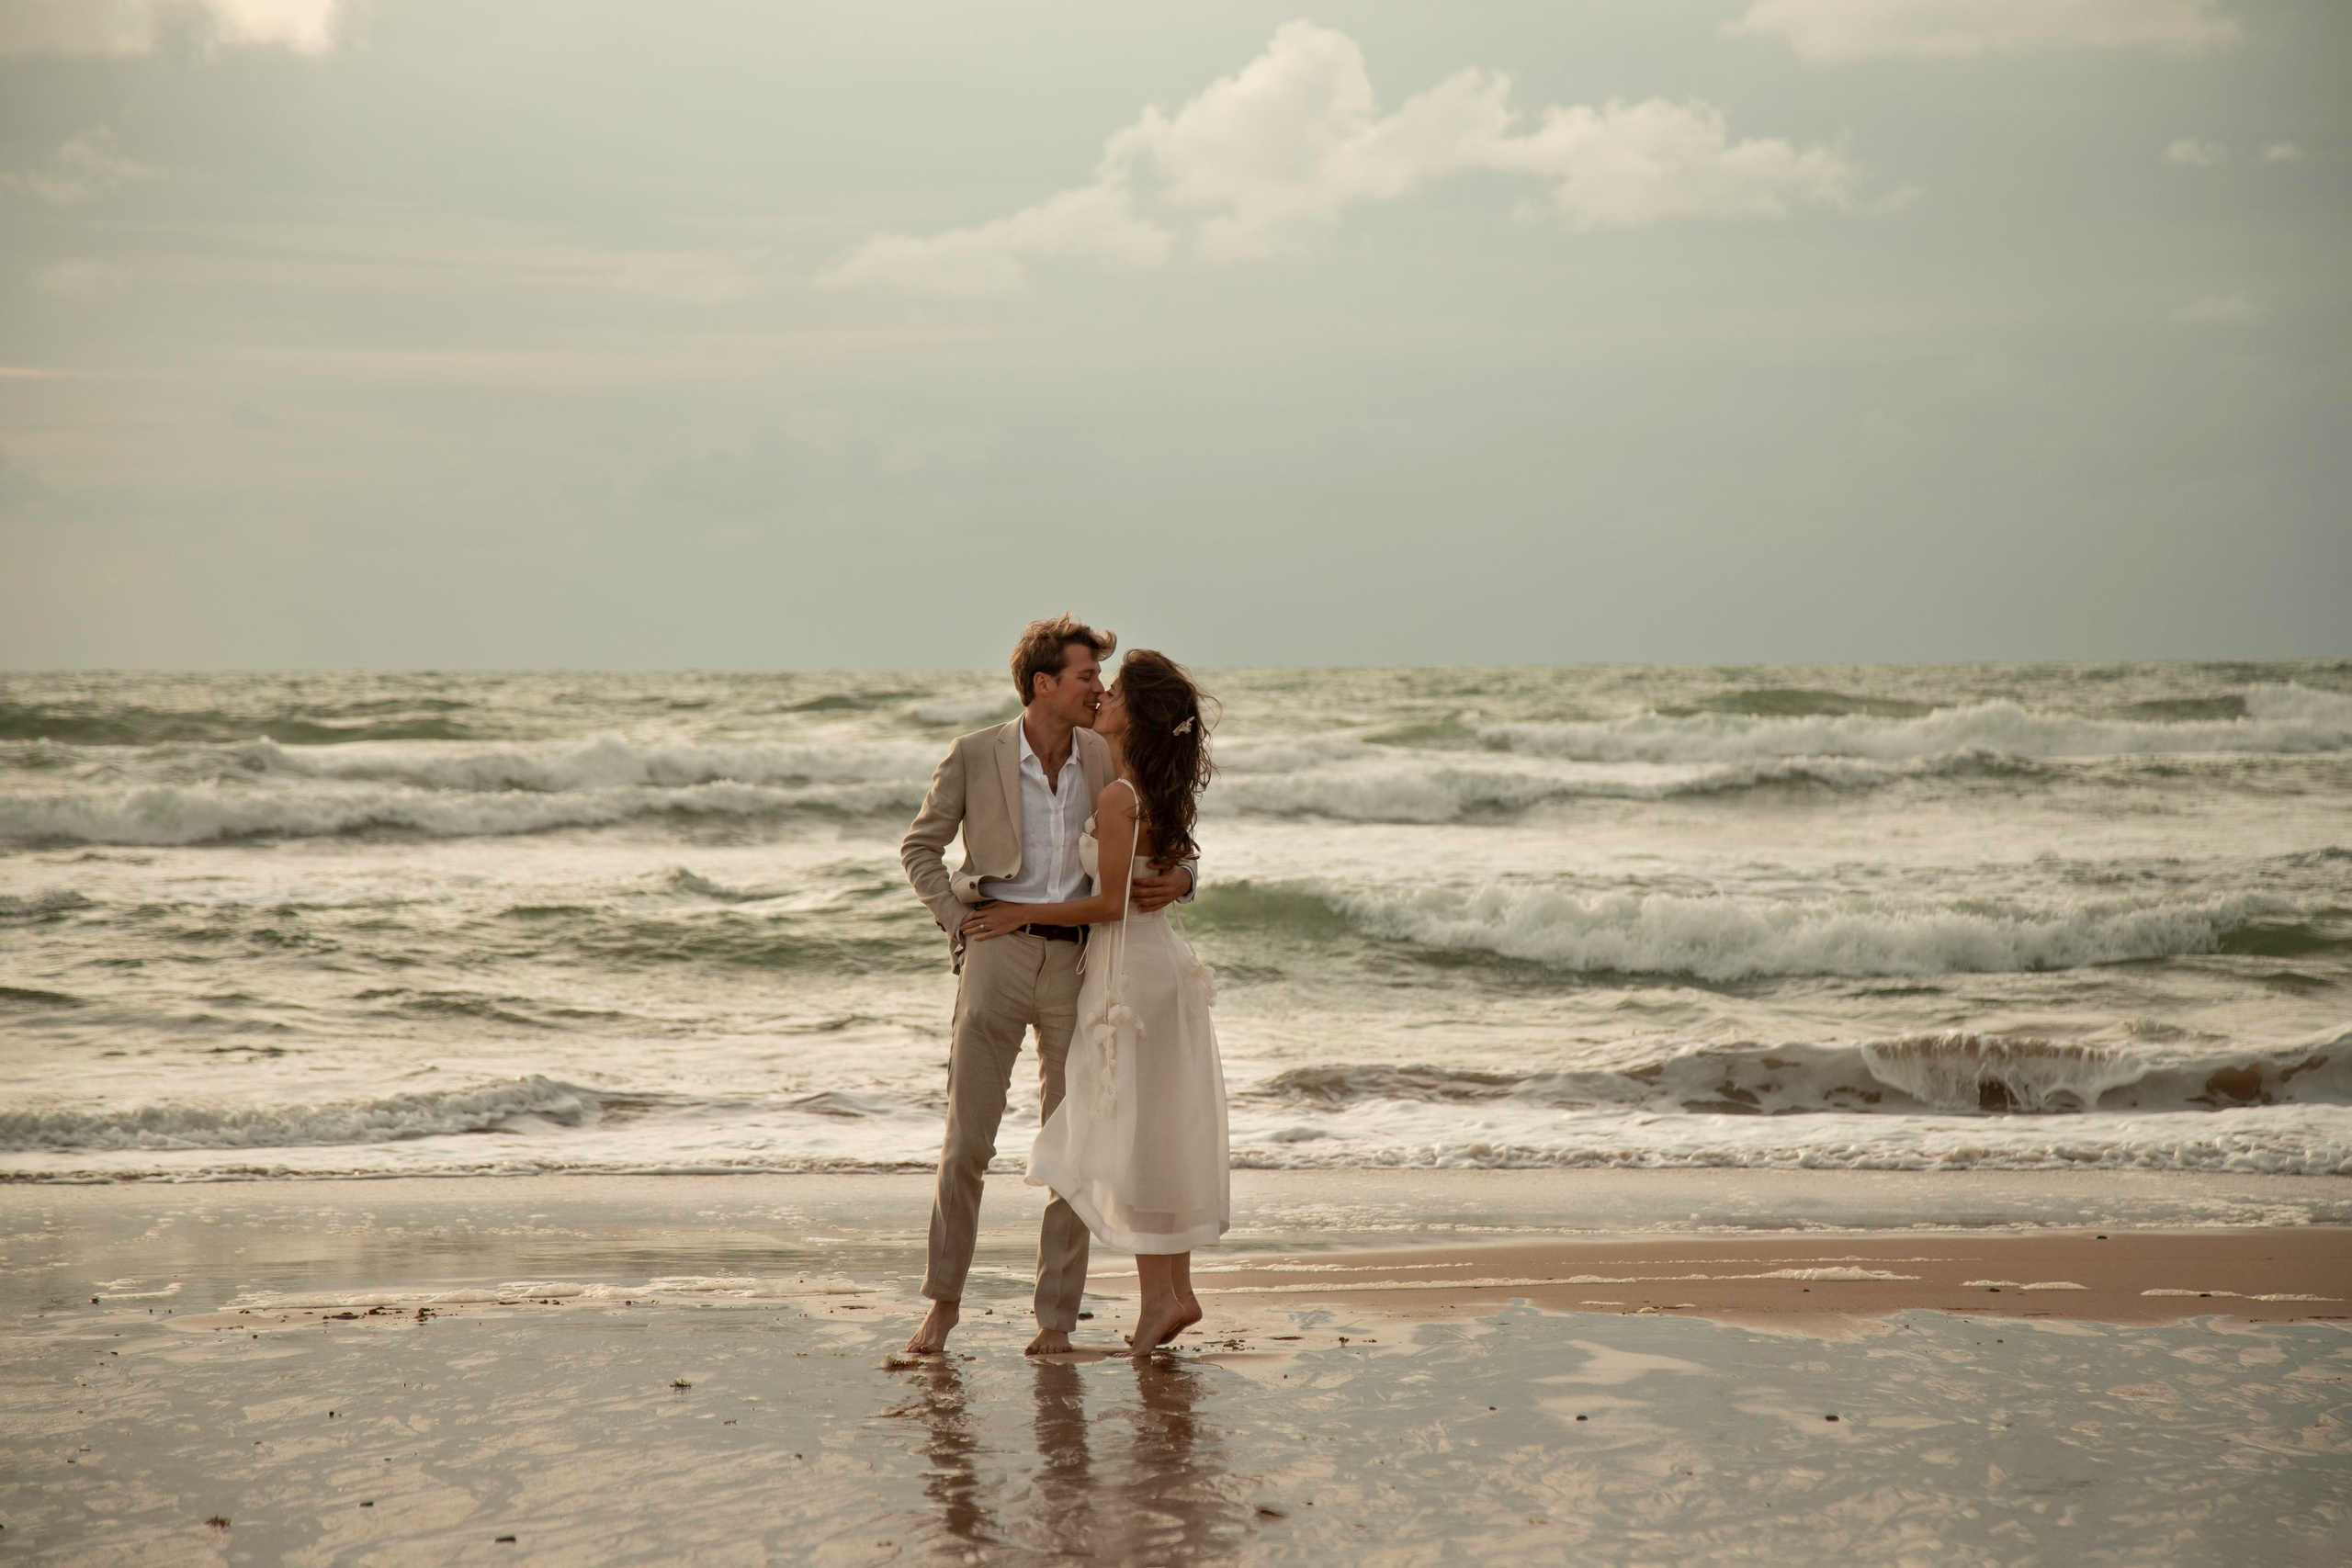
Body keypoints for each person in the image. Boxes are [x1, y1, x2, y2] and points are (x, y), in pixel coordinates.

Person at [899, 616, 1197, 1357]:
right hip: (997, 953)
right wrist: (956, 921)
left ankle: (1054, 1323)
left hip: (1081, 965)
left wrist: (1188, 877)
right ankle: (942, 1305)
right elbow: (920, 846)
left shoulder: (1106, 755)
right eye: (1086, 675)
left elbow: (1162, 831)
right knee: (967, 1141)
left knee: (1072, 1146)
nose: (1098, 685)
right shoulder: (975, 754)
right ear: (1044, 684)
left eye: (1102, 677)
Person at [978, 649, 1228, 1354]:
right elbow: (1152, 873)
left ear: (1134, 714)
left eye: (1113, 691)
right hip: (1162, 971)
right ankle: (1175, 1293)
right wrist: (1180, 877)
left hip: (1128, 980)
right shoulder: (1151, 786)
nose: (1103, 696)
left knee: (1134, 1135)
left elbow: (1109, 904)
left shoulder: (1121, 795)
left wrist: (1013, 913)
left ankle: (1159, 1302)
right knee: (1159, 1130)